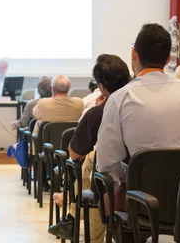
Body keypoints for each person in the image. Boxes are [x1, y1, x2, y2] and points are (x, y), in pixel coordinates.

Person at [96, 24, 180, 187]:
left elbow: (106, 164)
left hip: (149, 203)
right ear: (167, 59)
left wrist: (136, 173)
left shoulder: (120, 98)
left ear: (134, 53)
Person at [49, 54, 132, 241]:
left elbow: (74, 154)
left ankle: (72, 211)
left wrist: (94, 111)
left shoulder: (97, 113)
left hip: (112, 184)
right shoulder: (142, 105)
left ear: (101, 86)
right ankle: (70, 208)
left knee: (93, 164)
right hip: (152, 183)